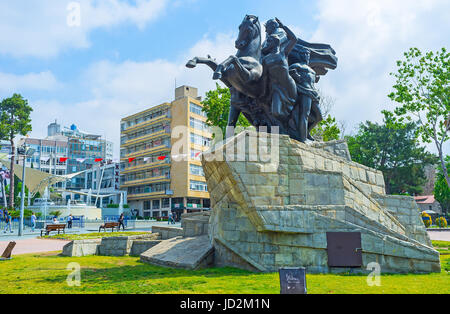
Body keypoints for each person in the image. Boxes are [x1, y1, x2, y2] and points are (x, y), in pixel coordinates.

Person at [261, 18, 298, 122]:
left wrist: (283, 26)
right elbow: (264, 76)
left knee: (284, 112)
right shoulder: (265, 59)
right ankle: (281, 130)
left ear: (275, 42)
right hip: (276, 88)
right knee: (276, 113)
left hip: (288, 86)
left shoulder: (283, 53)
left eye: (269, 41)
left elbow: (294, 39)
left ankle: (288, 128)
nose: (266, 44)